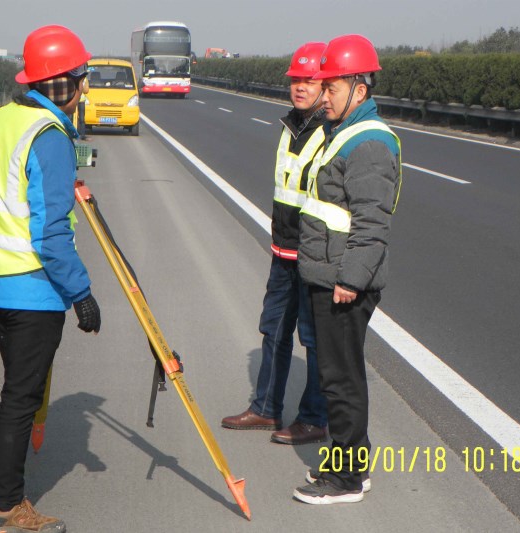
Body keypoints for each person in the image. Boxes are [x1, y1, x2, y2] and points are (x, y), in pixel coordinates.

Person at [0, 25, 101, 532]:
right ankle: (5, 508)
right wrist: (81, 292)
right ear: (61, 83)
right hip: (32, 287)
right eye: (81, 77)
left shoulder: (1, 119)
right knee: (21, 400)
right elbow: (50, 233)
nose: (85, 87)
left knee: (15, 395)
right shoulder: (48, 137)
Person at [292, 34, 402, 505]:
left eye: (332, 88)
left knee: (341, 381)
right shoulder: (342, 131)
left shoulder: (369, 143)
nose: (324, 96)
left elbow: (372, 223)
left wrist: (350, 280)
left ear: (359, 89)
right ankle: (353, 462)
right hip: (330, 274)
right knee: (340, 376)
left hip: (343, 282)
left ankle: (346, 478)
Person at [221, 43, 328, 446]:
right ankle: (266, 408)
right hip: (284, 251)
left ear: (326, 85)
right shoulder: (290, 127)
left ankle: (314, 419)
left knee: (314, 340)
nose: (299, 87)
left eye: (309, 81)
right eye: (295, 79)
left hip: (314, 255)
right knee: (274, 330)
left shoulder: (330, 132)